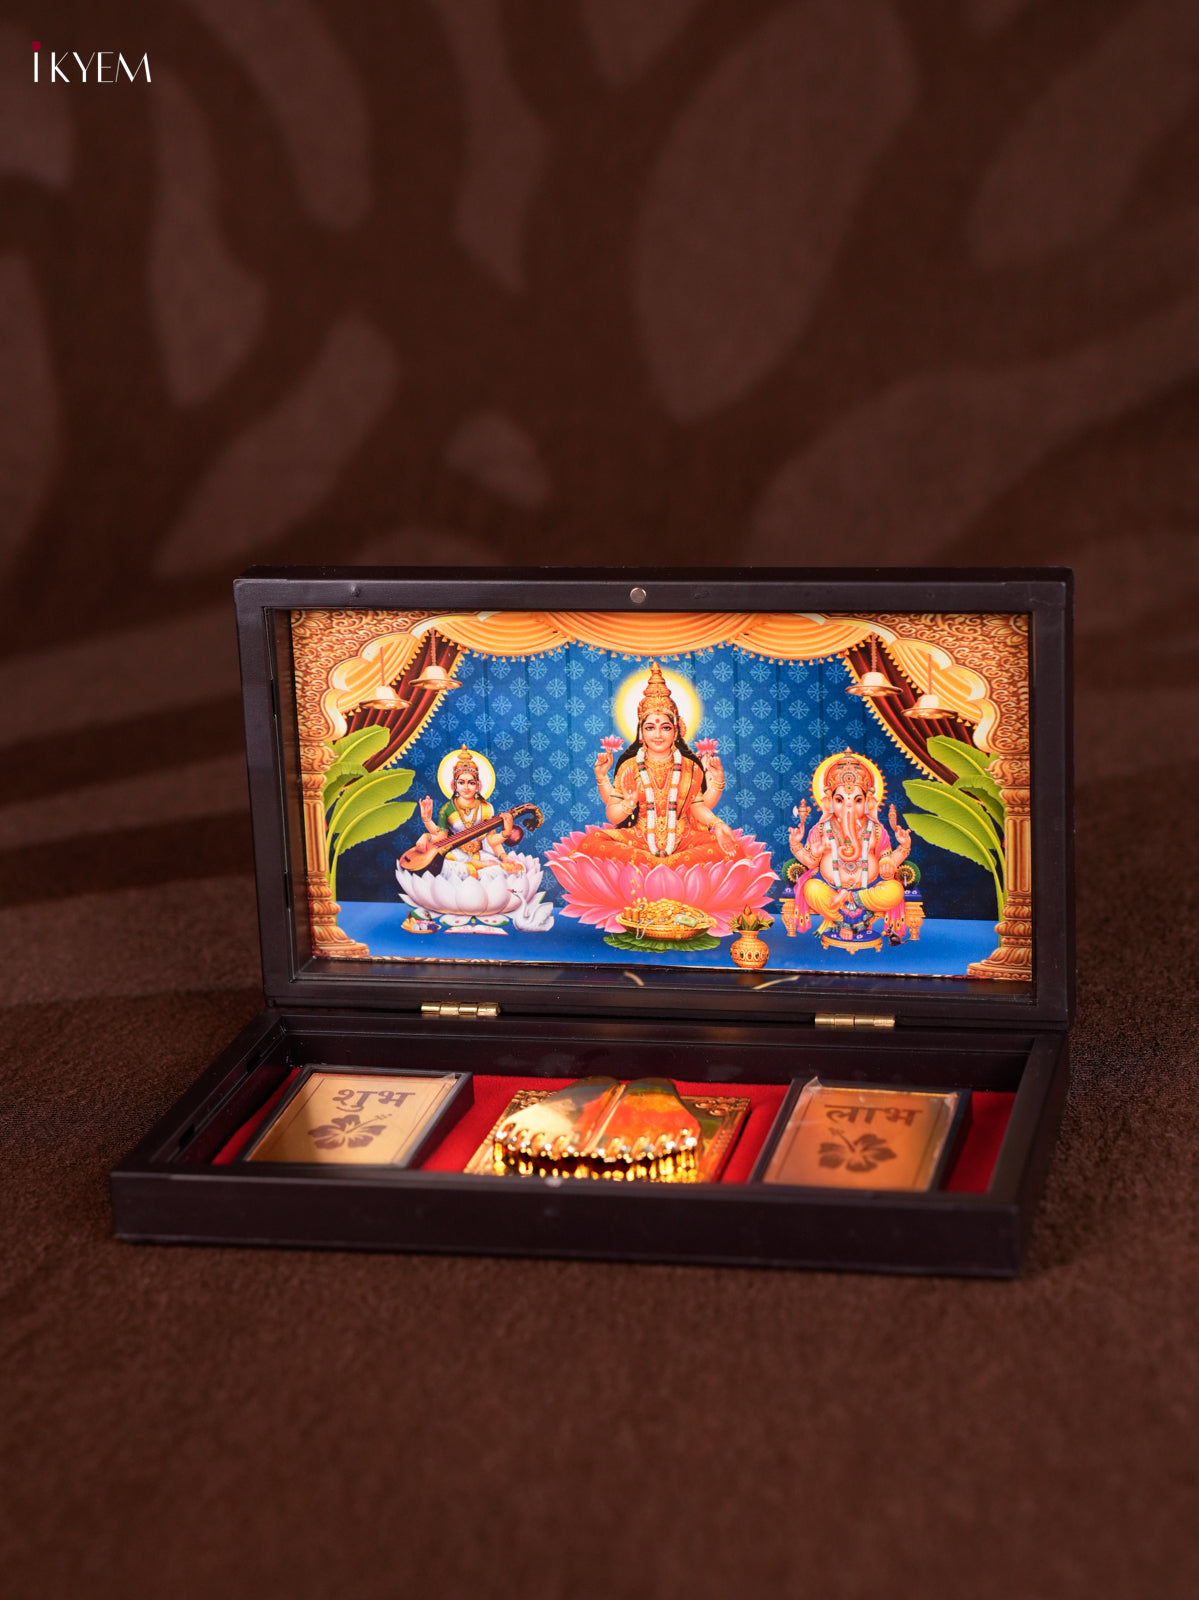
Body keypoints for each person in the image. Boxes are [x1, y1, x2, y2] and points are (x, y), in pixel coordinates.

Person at [567, 662, 737, 868]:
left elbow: (697, 807)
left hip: (684, 841)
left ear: (676, 731)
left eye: (665, 727)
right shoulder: (629, 766)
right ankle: (671, 869)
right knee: (592, 843)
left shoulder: (690, 767)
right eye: (650, 727)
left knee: (731, 848)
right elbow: (613, 815)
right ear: (641, 732)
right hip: (639, 840)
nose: (657, 735)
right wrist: (628, 803)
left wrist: (717, 823)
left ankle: (653, 868)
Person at [789, 750, 911, 939]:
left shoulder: (876, 830)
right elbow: (810, 862)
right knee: (812, 889)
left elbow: (886, 859)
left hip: (867, 890)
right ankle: (842, 921)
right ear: (828, 802)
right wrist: (797, 844)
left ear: (869, 803)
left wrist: (903, 847)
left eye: (857, 800)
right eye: (839, 800)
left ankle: (850, 898)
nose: (848, 806)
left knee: (894, 890)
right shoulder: (821, 830)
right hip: (830, 888)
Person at [413, 747, 523, 878]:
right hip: (456, 854)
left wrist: (506, 839)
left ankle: (476, 865)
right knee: (442, 868)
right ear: (454, 786)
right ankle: (475, 866)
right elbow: (442, 837)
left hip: (480, 853)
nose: (466, 787)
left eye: (471, 783)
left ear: (477, 785)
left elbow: (490, 840)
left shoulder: (486, 808)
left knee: (506, 871)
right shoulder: (447, 808)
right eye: (461, 782)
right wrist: (426, 823)